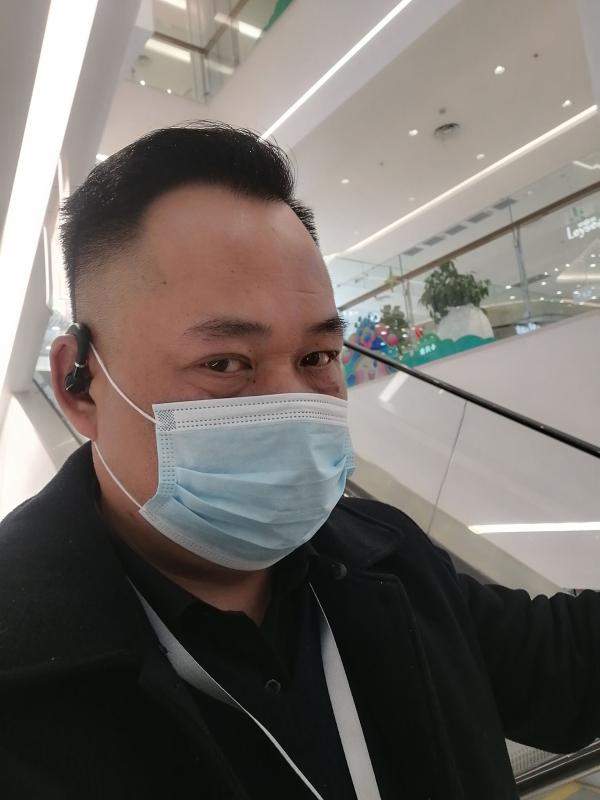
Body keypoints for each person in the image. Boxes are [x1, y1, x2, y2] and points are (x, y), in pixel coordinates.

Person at [0, 122, 598, 800]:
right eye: (224, 363)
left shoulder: (390, 559)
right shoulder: (20, 682)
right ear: (79, 385)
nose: (293, 402)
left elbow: (565, 669)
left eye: (317, 357)